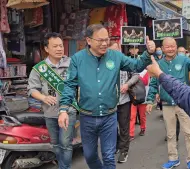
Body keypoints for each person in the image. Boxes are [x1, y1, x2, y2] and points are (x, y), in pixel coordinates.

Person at [58, 24, 156, 169]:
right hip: (87, 117)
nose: (104, 44)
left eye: (107, 40)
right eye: (100, 40)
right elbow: (70, 85)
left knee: (109, 156)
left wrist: (148, 52)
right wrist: (63, 109)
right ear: (89, 40)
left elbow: (136, 66)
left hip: (109, 116)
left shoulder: (115, 56)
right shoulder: (78, 59)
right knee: (90, 156)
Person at [146, 37, 190, 169]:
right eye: (167, 46)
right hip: (167, 104)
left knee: (188, 132)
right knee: (170, 134)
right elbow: (154, 83)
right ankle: (173, 159)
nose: (170, 49)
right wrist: (149, 100)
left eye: (173, 46)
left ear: (176, 46)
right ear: (163, 48)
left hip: (183, 104)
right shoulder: (159, 64)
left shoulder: (183, 60)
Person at [28, 32, 77, 169]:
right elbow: (32, 89)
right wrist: (43, 97)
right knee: (55, 144)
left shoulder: (71, 63)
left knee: (65, 143)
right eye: (55, 46)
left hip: (69, 110)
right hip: (50, 113)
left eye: (61, 46)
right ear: (46, 48)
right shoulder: (40, 69)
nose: (59, 49)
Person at [109, 42, 139, 163]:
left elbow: (136, 75)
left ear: (119, 49)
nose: (113, 53)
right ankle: (116, 146)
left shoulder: (126, 61)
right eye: (110, 51)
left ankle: (124, 151)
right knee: (111, 127)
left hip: (124, 100)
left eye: (115, 50)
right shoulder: (106, 63)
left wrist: (127, 84)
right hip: (110, 102)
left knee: (124, 127)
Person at [129, 69, 150, 140]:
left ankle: (143, 128)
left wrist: (135, 78)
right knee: (132, 116)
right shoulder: (132, 71)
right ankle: (131, 134)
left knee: (142, 116)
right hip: (133, 98)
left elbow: (145, 81)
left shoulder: (146, 72)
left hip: (142, 98)